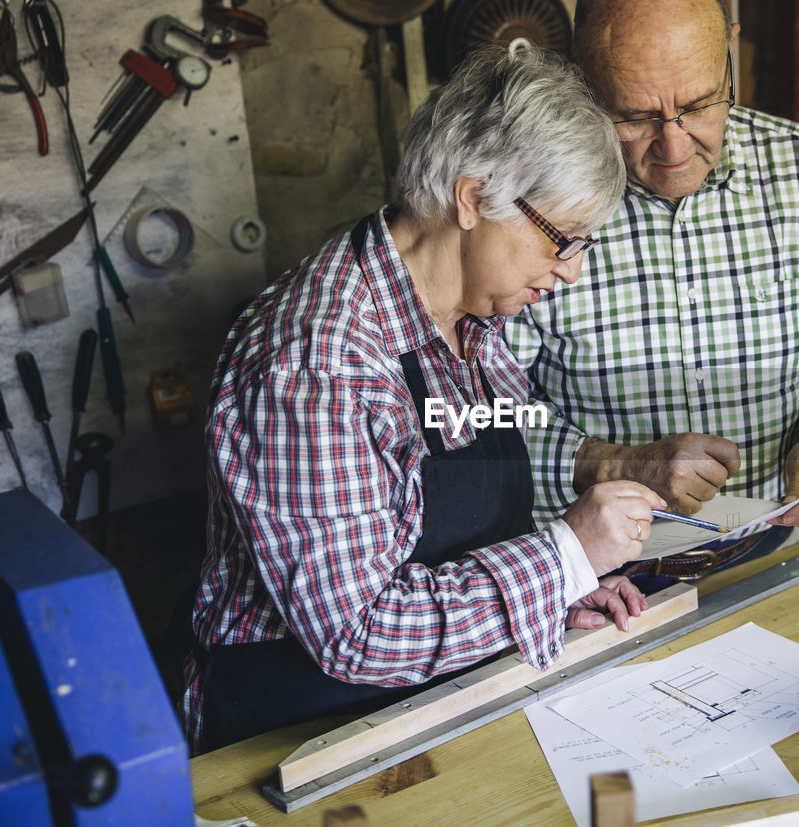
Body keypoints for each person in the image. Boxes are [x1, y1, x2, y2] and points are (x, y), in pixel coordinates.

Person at [182, 42, 665, 753]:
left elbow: (451, 534)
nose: (571, 273)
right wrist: (562, 555)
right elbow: (355, 632)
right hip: (295, 733)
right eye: (563, 241)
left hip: (438, 700)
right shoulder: (317, 361)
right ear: (472, 198)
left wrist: (558, 590)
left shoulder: (478, 315)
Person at [505, 0, 799, 582]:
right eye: (635, 116)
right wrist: (609, 464)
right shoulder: (527, 200)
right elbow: (469, 416)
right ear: (579, 78)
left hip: (768, 554)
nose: (673, 148)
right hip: (589, 582)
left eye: (697, 106)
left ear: (730, 53)